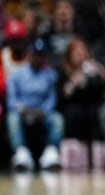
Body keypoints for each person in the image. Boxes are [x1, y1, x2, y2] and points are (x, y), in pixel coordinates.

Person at [6, 39, 63, 171]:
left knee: (57, 119)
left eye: (40, 54)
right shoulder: (16, 75)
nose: (37, 57)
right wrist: (22, 109)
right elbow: (11, 100)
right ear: (29, 55)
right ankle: (21, 152)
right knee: (12, 118)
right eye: (34, 54)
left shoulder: (50, 75)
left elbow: (52, 98)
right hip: (22, 111)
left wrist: (43, 110)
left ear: (44, 57)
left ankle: (51, 152)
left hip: (42, 112)